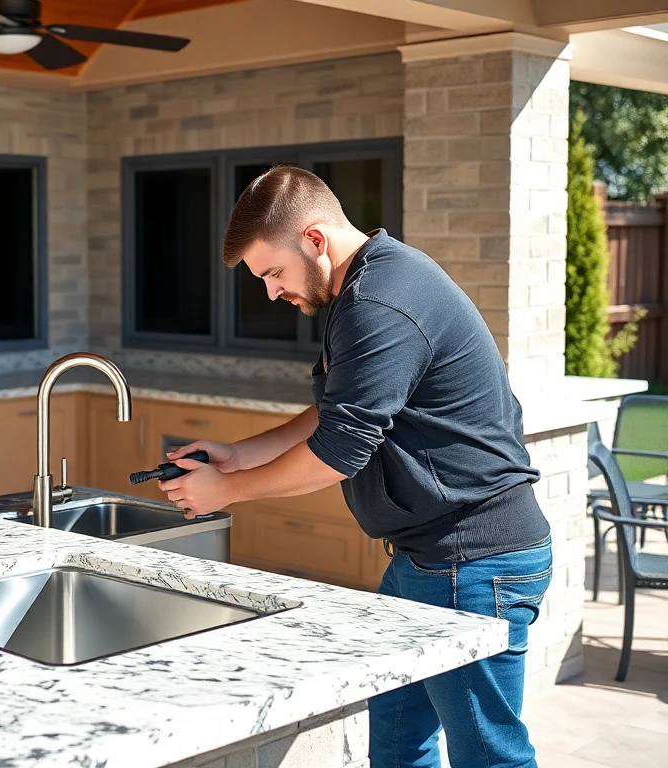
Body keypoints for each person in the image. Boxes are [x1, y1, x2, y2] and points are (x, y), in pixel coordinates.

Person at [161, 165, 552, 768]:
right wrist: (240, 455)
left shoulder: (379, 301)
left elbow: (339, 453)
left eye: (273, 272)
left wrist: (226, 491)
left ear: (314, 239)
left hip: (471, 563)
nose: (270, 291)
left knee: (490, 757)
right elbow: (337, 413)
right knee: (398, 743)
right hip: (429, 561)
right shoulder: (367, 287)